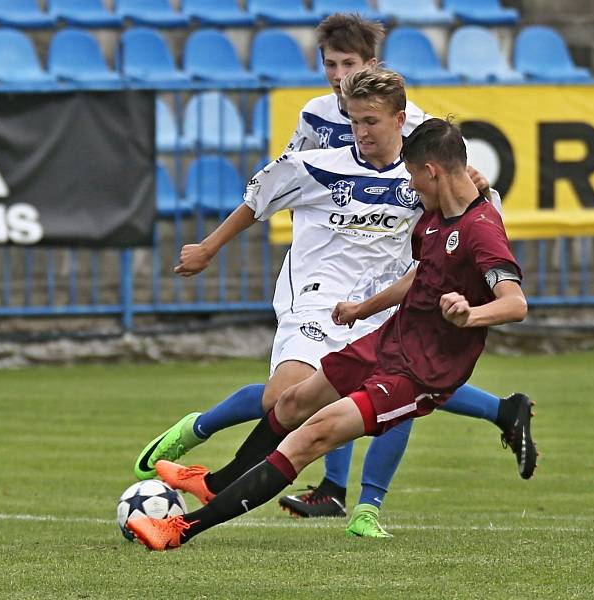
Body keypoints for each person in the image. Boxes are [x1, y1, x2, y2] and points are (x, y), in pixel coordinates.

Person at [133, 22, 535, 537]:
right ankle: (215, 457)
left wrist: (467, 286)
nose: (343, 87)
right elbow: (264, 195)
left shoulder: (444, 181)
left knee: (324, 424)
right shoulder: (317, 146)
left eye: (350, 68)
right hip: (331, 297)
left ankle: (351, 504)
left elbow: (497, 269)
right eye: (331, 66)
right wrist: (210, 247)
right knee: (293, 399)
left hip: (403, 320)